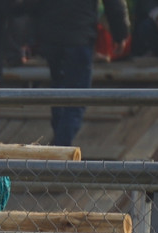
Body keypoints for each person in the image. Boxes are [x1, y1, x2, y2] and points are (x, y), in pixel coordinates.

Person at [23, 0, 129, 146]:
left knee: (58, 91)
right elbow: (114, 5)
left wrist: (32, 36)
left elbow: (31, 5)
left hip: (52, 37)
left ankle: (57, 145)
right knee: (77, 98)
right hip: (80, 36)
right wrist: (120, 34)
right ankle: (61, 147)